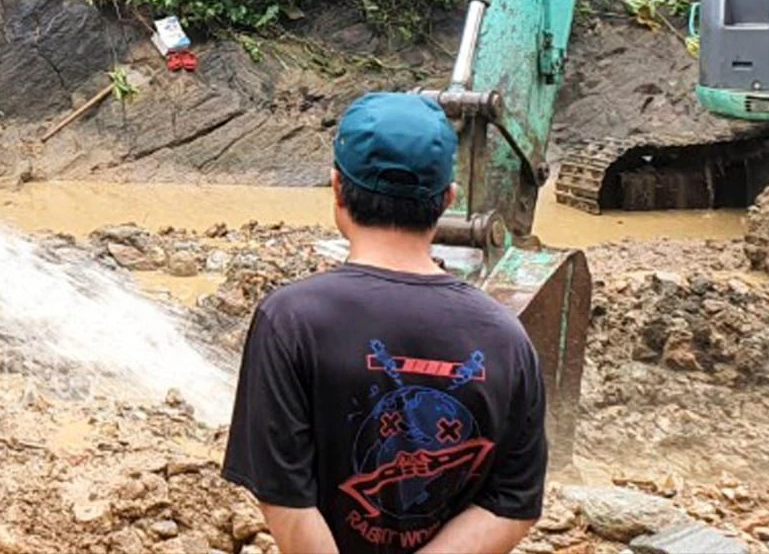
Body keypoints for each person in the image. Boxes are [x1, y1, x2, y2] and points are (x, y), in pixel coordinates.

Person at [222, 92, 548, 553]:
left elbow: (286, 497)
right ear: (449, 199)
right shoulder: (507, 338)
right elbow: (513, 503)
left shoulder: (291, 320)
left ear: (336, 187)